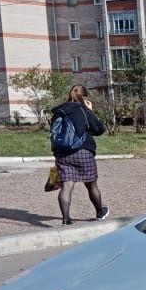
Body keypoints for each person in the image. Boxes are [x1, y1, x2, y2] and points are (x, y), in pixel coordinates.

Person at [50, 85, 109, 225]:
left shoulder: (59, 111)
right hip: (83, 151)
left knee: (67, 186)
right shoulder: (83, 110)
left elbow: (55, 133)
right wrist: (90, 111)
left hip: (63, 153)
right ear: (84, 97)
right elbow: (99, 129)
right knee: (91, 185)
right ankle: (100, 213)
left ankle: (66, 219)